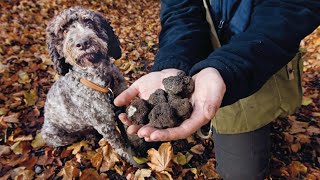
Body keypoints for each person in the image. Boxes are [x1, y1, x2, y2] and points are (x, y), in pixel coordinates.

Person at [114, 0, 320, 179]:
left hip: (257, 59)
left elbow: (292, 9)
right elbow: (180, 13)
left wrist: (226, 68)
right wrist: (174, 61)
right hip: (200, 62)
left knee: (241, 173)